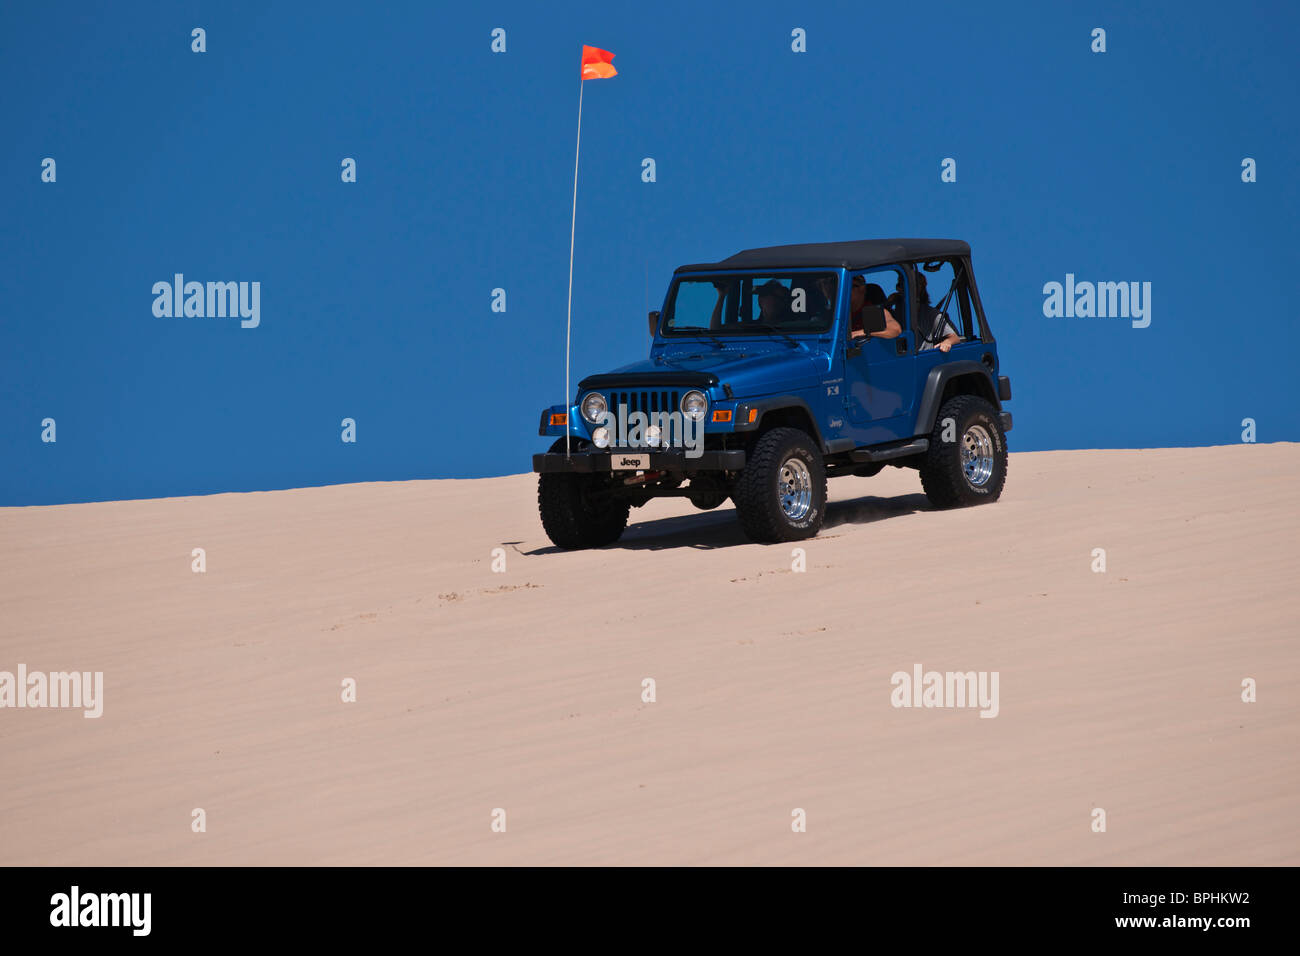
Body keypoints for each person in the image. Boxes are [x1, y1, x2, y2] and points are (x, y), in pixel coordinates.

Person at [849, 276, 901, 340]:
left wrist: (857, 334)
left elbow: (895, 330)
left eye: (849, 287)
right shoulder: (838, 312)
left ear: (861, 288)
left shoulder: (871, 312)